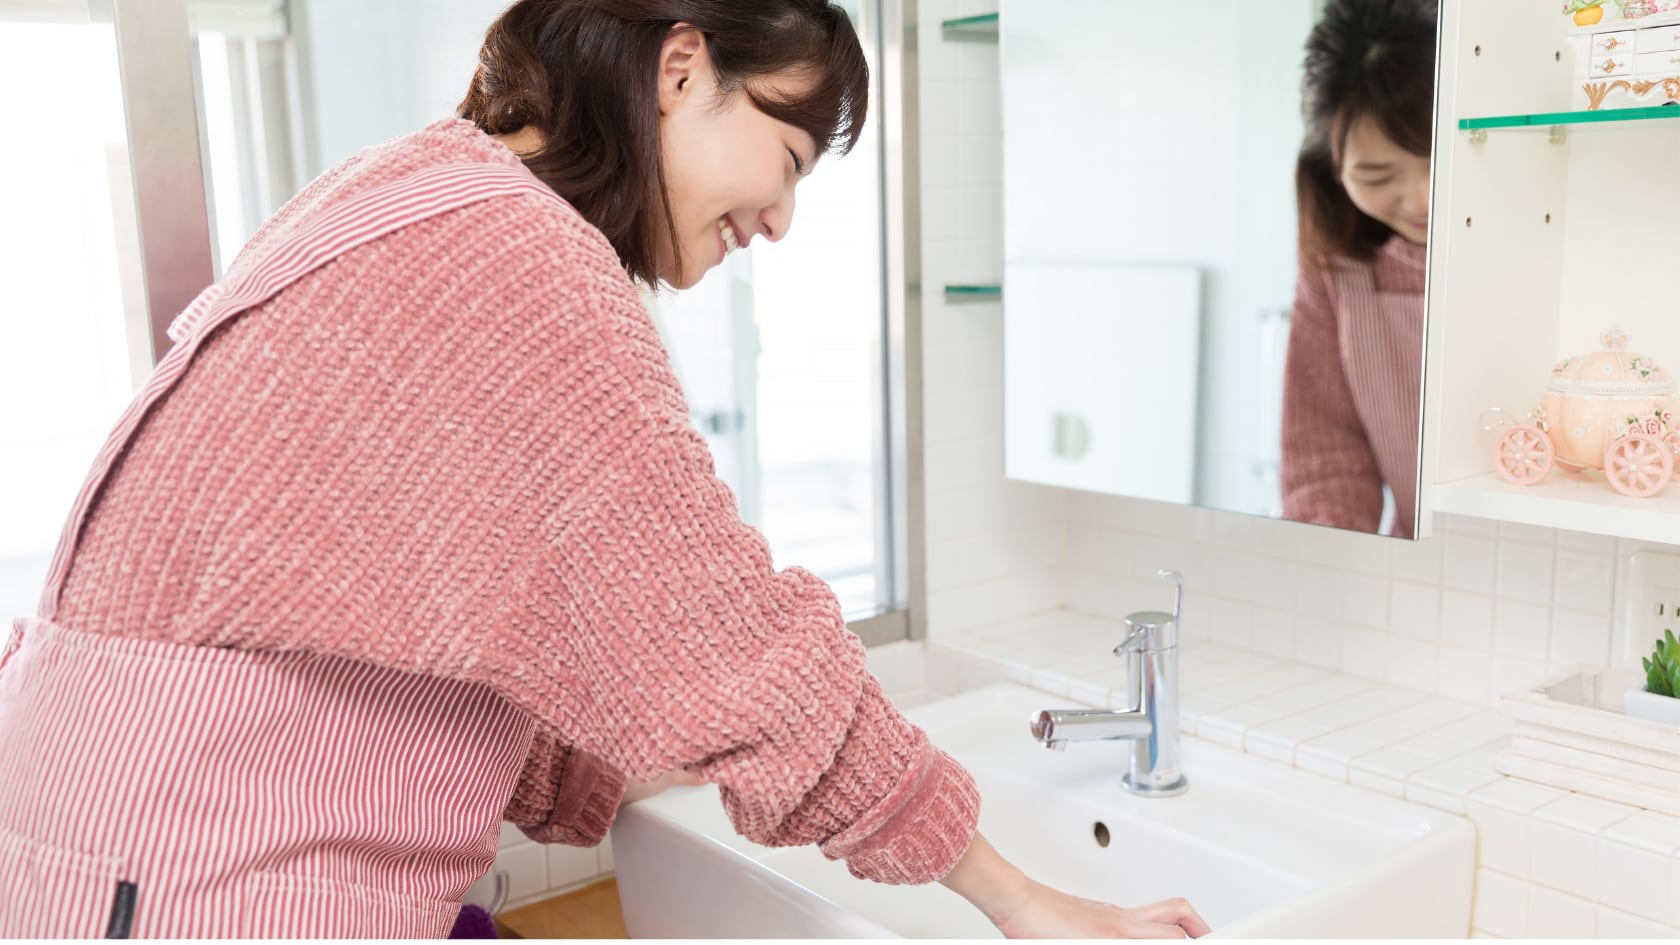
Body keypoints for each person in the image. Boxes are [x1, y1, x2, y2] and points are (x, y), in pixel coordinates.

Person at [0, 1, 1209, 938]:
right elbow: (738, 642)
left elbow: (422, 616)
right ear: (682, 69)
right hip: (193, 882)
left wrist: (681, 725)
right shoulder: (525, 264)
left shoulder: (414, 188)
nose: (783, 219)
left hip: (107, 846)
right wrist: (1020, 901)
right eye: (786, 155)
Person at [1280, 0, 1438, 539]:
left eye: (1438, 160)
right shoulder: (1336, 259)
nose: (1420, 199)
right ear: (1332, 167)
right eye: (1376, 176)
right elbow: (1326, 455)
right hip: (1416, 568)